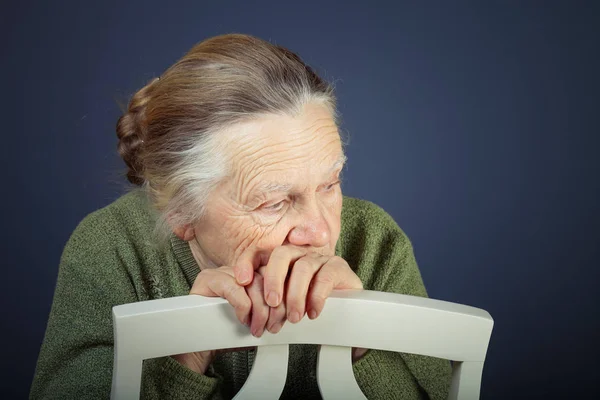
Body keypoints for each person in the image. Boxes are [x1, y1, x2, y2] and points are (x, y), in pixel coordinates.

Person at [30, 34, 452, 399]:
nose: (322, 231)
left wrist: (362, 333)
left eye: (330, 184)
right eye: (274, 203)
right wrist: (187, 349)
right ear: (181, 213)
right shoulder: (109, 250)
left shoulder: (376, 242)